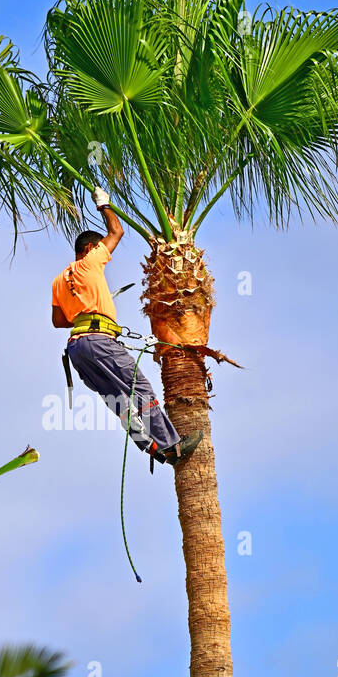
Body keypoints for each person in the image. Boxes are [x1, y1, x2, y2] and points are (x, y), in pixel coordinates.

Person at [51, 187, 202, 467]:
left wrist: (85, 313)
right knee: (139, 388)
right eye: (98, 249)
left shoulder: (59, 280)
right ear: (89, 249)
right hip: (99, 342)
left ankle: (151, 446)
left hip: (77, 349)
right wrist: (103, 204)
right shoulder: (89, 262)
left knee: (117, 399)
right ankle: (171, 446)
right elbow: (116, 231)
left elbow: (58, 321)